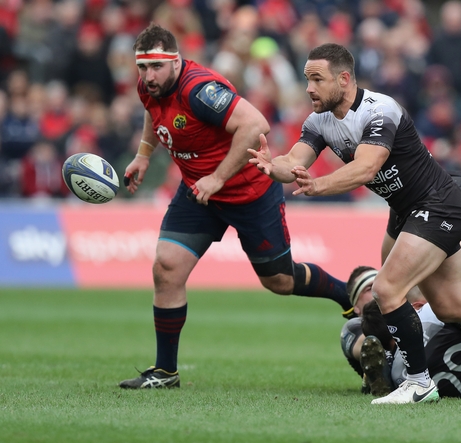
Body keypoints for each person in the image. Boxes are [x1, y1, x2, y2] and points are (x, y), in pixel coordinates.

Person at [247, 43, 461, 404]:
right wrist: (272, 166)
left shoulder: (380, 110)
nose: (309, 88)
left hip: (438, 205)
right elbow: (294, 160)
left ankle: (419, 382)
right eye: (307, 79)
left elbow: (366, 167)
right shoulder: (318, 121)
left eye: (317, 79)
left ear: (344, 79)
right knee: (453, 307)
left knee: (387, 289)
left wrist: (319, 185)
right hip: (410, 212)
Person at [118, 24, 353, 390]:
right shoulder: (150, 86)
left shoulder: (199, 90)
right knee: (166, 267)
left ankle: (346, 293)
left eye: (157, 67)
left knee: (280, 281)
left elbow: (256, 124)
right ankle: (165, 371)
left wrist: (217, 177)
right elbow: (154, 111)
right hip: (199, 193)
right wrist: (144, 154)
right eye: (143, 68)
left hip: (249, 192)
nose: (149, 76)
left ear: (176, 62)